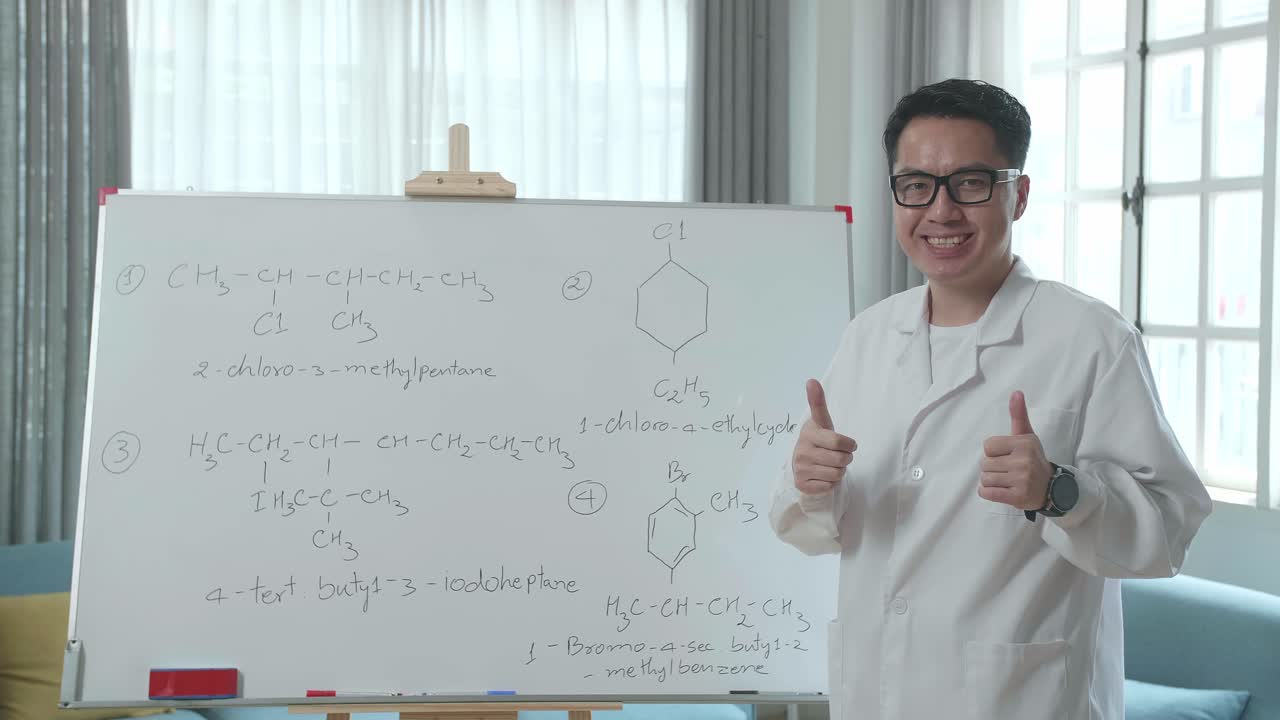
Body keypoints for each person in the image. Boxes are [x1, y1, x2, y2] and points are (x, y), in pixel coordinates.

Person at [769, 78, 1212, 720]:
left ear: (1019, 194)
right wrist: (810, 486)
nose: (941, 211)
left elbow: (1170, 529)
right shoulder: (868, 336)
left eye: (971, 183)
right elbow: (809, 528)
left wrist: (1058, 491)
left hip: (1018, 701)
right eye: (916, 185)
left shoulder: (1090, 339)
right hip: (875, 695)